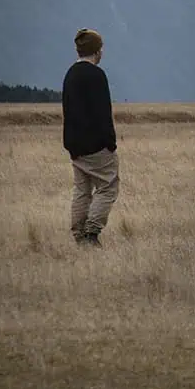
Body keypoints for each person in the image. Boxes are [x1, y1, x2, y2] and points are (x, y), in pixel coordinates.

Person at [62, 28, 119, 247]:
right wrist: (110, 143)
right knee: (108, 187)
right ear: (96, 51)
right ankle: (91, 232)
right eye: (101, 47)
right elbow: (102, 112)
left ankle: (78, 236)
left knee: (82, 190)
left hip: (74, 145)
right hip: (96, 145)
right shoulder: (96, 75)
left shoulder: (71, 74)